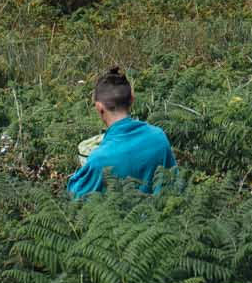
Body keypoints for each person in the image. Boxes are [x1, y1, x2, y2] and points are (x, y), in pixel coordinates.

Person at [68, 68, 173, 198]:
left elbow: (76, 196)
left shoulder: (99, 159)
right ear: (132, 99)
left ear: (99, 107)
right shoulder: (159, 137)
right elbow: (173, 183)